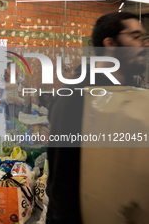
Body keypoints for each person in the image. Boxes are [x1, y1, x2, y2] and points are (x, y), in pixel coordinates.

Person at [46, 12, 149, 224]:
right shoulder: (76, 98)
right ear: (110, 44)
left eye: (145, 37)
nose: (145, 45)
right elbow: (61, 184)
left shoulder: (130, 96)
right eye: (136, 37)